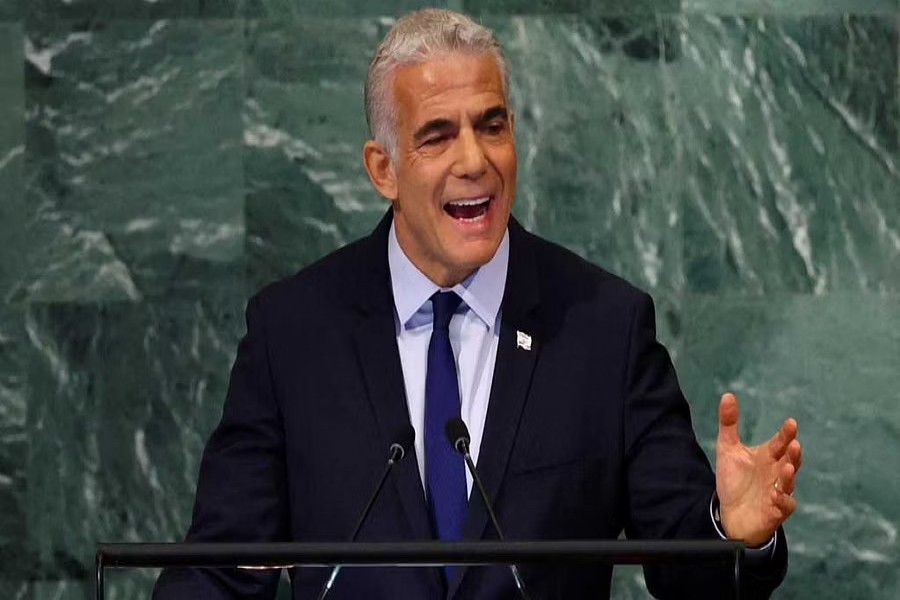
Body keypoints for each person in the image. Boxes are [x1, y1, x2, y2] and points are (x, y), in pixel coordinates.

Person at [154, 9, 802, 599]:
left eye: (491, 126)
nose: (475, 159)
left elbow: (688, 569)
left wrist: (732, 532)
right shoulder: (294, 333)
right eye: (437, 136)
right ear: (384, 169)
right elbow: (218, 572)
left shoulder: (604, 328)